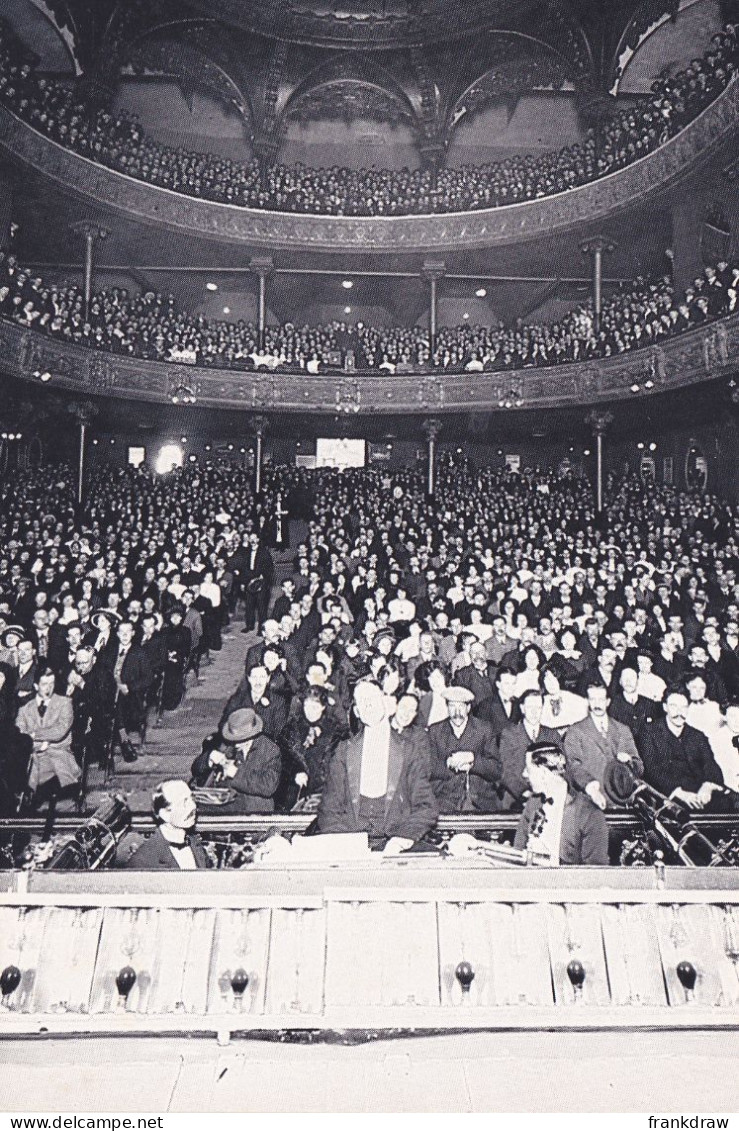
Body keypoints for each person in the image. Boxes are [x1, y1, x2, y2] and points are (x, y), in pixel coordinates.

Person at [317, 680, 437, 851]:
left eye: (372, 697)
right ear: (357, 712)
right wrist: (346, 845)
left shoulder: (408, 750)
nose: (368, 704)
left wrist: (401, 840)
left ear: (386, 703)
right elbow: (329, 810)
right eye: (361, 701)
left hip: (397, 844)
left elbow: (426, 807)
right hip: (352, 844)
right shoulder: (344, 751)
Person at [514, 741, 610, 865]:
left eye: (528, 769)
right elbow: (518, 851)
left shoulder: (589, 814)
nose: (524, 774)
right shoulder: (532, 804)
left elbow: (595, 873)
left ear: (543, 773)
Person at [640, 685, 726, 809]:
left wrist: (707, 786)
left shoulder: (697, 735)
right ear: (665, 707)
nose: (679, 713)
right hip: (667, 795)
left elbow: (711, 764)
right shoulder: (649, 732)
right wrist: (680, 793)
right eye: (674, 706)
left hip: (699, 793)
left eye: (684, 707)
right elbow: (651, 770)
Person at [563, 680, 643, 810]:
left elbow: (639, 768)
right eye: (593, 699)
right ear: (587, 701)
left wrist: (629, 760)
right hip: (590, 804)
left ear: (608, 702)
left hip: (623, 805)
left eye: (601, 699)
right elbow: (573, 767)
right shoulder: (575, 731)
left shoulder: (623, 730)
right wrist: (592, 789)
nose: (597, 704)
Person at [192, 707, 281, 815]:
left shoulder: (270, 750)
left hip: (255, 810)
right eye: (233, 738)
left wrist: (235, 773)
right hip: (225, 805)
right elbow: (196, 770)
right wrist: (208, 758)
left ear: (252, 735)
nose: (235, 744)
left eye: (240, 739)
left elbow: (268, 786)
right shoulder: (227, 744)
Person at [428, 685, 501, 813]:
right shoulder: (435, 731)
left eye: (461, 706)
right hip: (444, 800)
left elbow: (496, 770)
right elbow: (428, 768)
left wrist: (473, 760)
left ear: (468, 708)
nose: (457, 712)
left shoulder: (484, 729)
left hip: (480, 800)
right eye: (452, 706)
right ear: (447, 708)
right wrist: (448, 763)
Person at [16, 667, 80, 806]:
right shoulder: (24, 709)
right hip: (33, 756)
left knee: (31, 770)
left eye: (52, 683)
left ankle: (27, 798)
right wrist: (40, 745)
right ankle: (27, 799)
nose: (49, 688)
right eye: (45, 684)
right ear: (35, 686)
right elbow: (20, 736)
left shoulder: (65, 703)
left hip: (59, 756)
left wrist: (34, 735)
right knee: (29, 763)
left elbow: (60, 731)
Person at [498, 687, 561, 810]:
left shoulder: (552, 735)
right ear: (522, 708)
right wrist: (524, 793)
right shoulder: (509, 734)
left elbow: (560, 769)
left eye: (537, 708)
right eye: (530, 707)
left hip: (548, 797)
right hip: (516, 798)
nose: (534, 712)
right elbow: (505, 770)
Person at [124, 780, 209, 869]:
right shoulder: (141, 863)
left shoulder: (195, 842)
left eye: (192, 798)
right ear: (164, 814)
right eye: (184, 802)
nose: (193, 806)